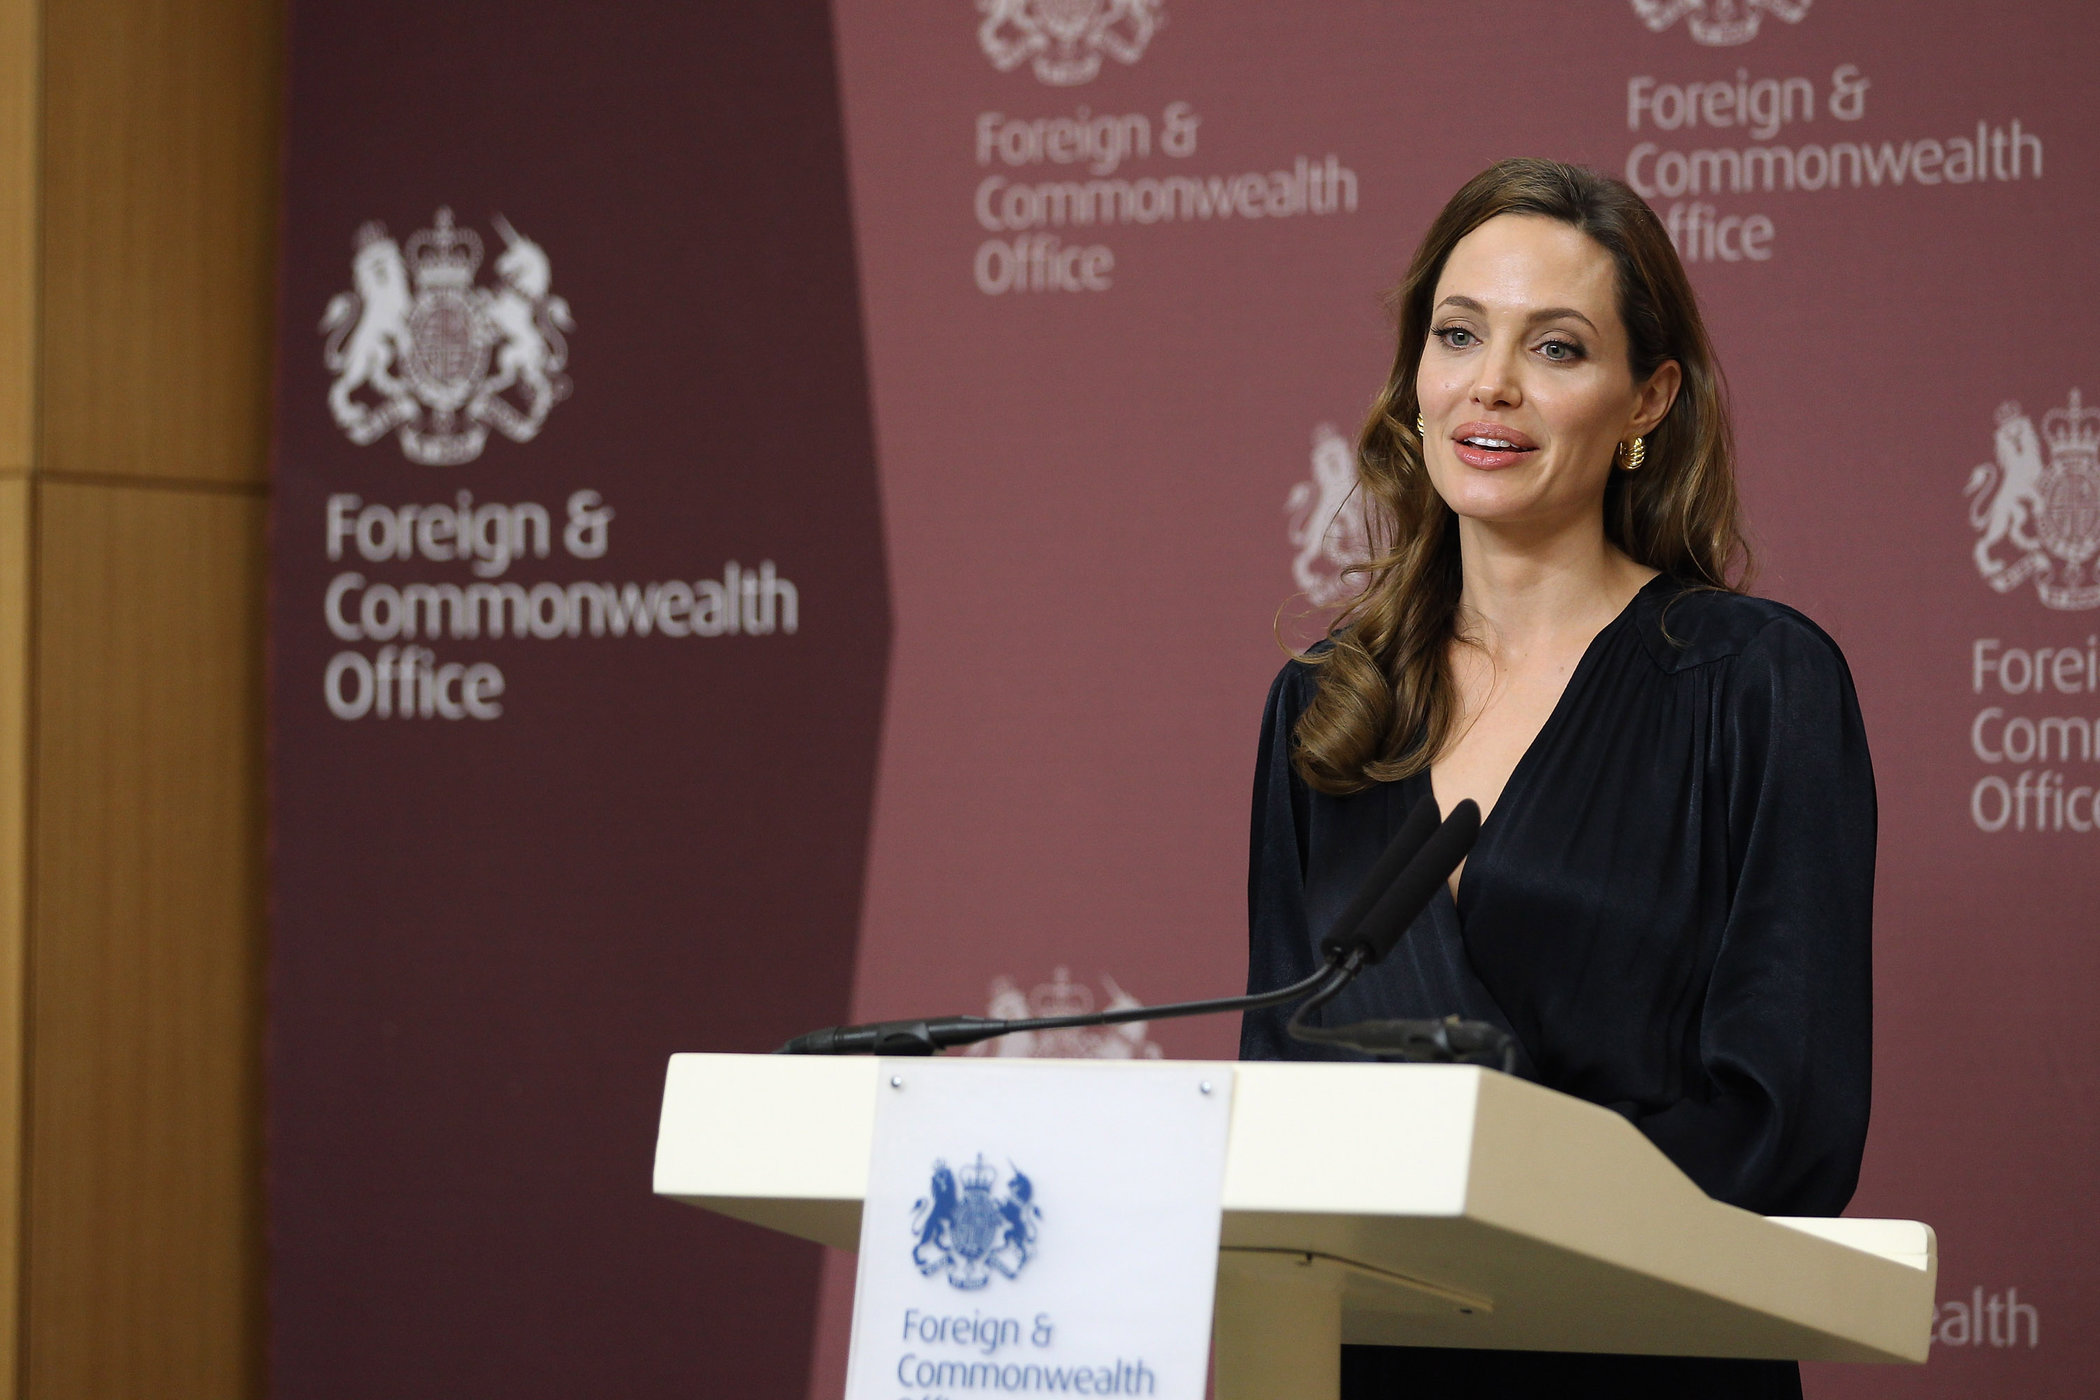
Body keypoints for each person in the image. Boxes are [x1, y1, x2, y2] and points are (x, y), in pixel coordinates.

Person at [1239, 159, 1873, 1399]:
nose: (1494, 384)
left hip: (1647, 1354)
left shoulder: (1754, 684)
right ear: (1416, 376)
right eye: (1459, 333)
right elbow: (1287, 1090)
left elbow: (1784, 1118)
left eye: (1559, 348)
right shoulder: (1326, 710)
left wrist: (1515, 1225)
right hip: (1382, 1359)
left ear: (1648, 399)